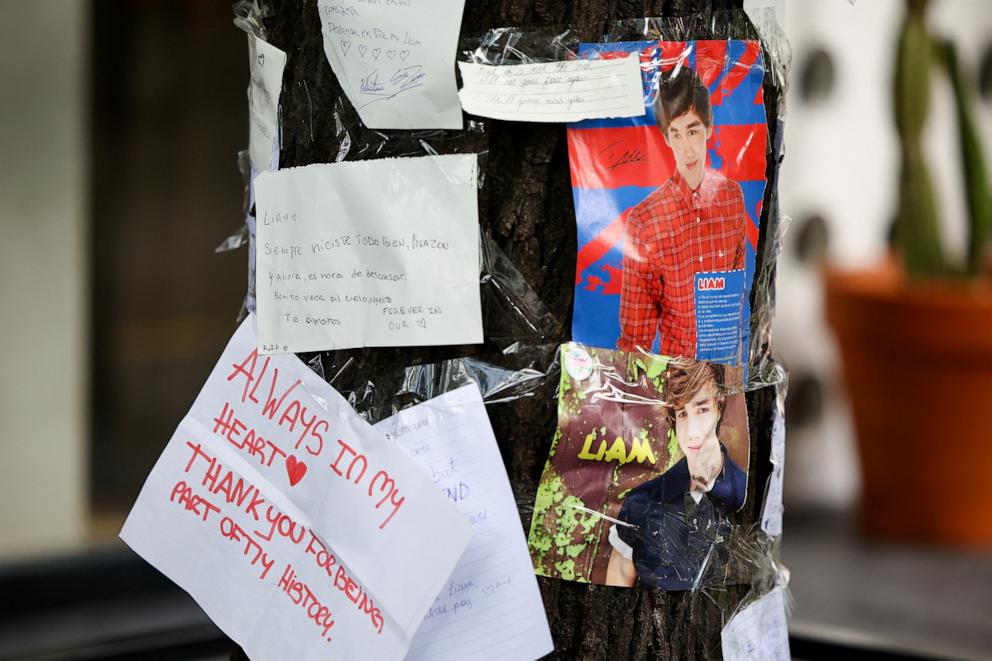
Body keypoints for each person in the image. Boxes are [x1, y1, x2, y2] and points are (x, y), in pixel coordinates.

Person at [617, 66, 748, 358]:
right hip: (675, 383)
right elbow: (634, 342)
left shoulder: (731, 197)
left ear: (709, 129)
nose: (687, 149)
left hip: (725, 372)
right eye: (676, 135)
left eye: (692, 131)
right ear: (666, 138)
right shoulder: (644, 220)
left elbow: (735, 303)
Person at [604, 360, 746, 589]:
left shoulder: (744, 490)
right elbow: (617, 583)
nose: (692, 432)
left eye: (702, 409)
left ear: (719, 407)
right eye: (682, 414)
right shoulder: (641, 501)